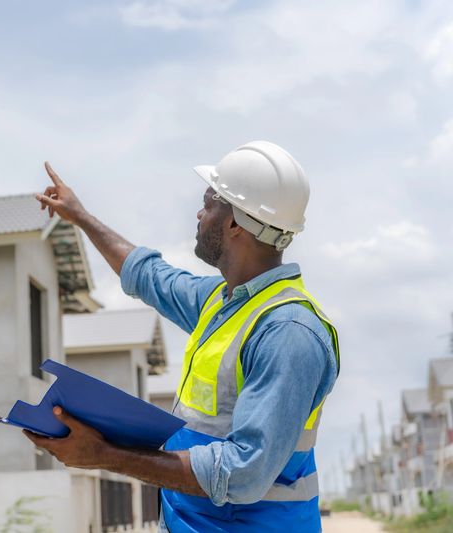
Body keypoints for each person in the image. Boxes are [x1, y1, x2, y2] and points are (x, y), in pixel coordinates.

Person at [28, 141, 339, 533]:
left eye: (209, 203)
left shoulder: (287, 332)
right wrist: (81, 217)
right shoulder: (222, 301)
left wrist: (104, 455)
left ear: (234, 224)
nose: (199, 213)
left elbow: (244, 472)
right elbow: (148, 274)